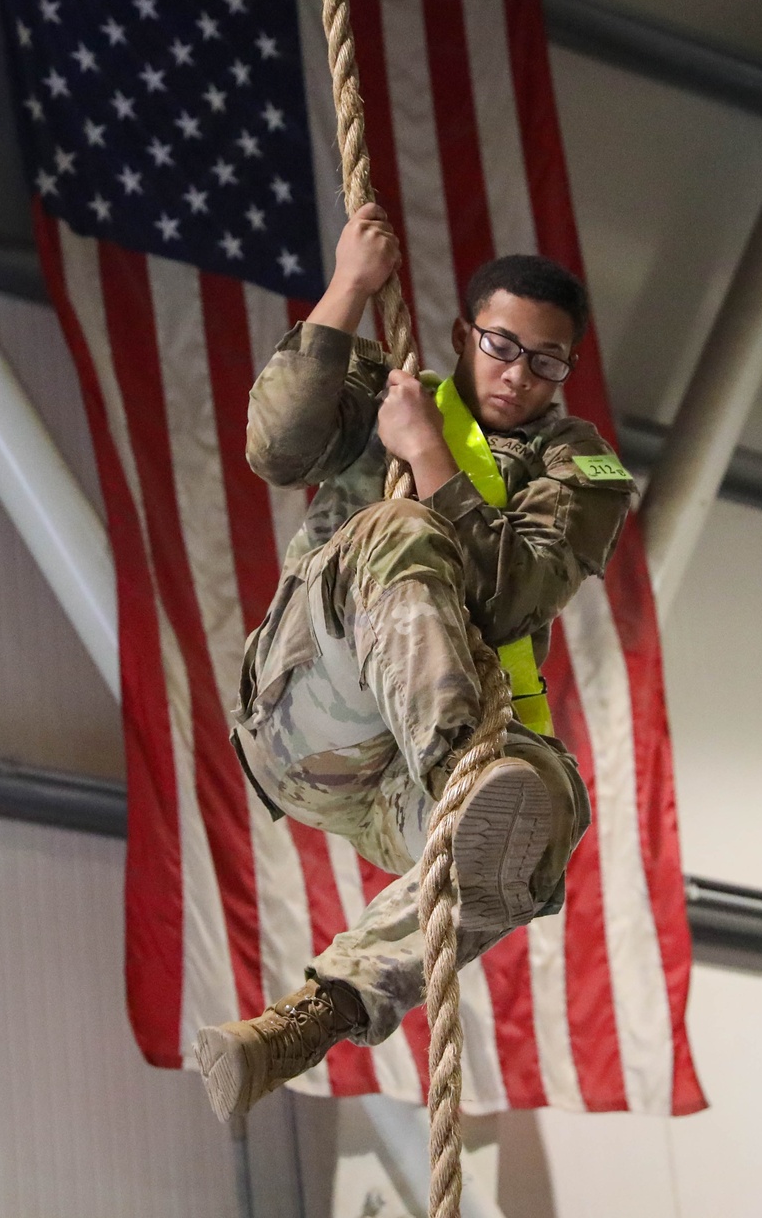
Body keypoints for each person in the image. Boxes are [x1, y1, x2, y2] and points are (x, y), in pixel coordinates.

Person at [196, 204, 635, 1120]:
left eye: (544, 360)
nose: (517, 374)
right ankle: (461, 780)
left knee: (545, 806)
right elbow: (273, 448)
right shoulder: (390, 390)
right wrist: (349, 287)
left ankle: (322, 1012)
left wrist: (431, 456)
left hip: (413, 786)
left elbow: (515, 594)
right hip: (310, 711)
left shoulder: (579, 469)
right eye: (501, 344)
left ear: (568, 370)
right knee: (397, 530)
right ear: (463, 334)